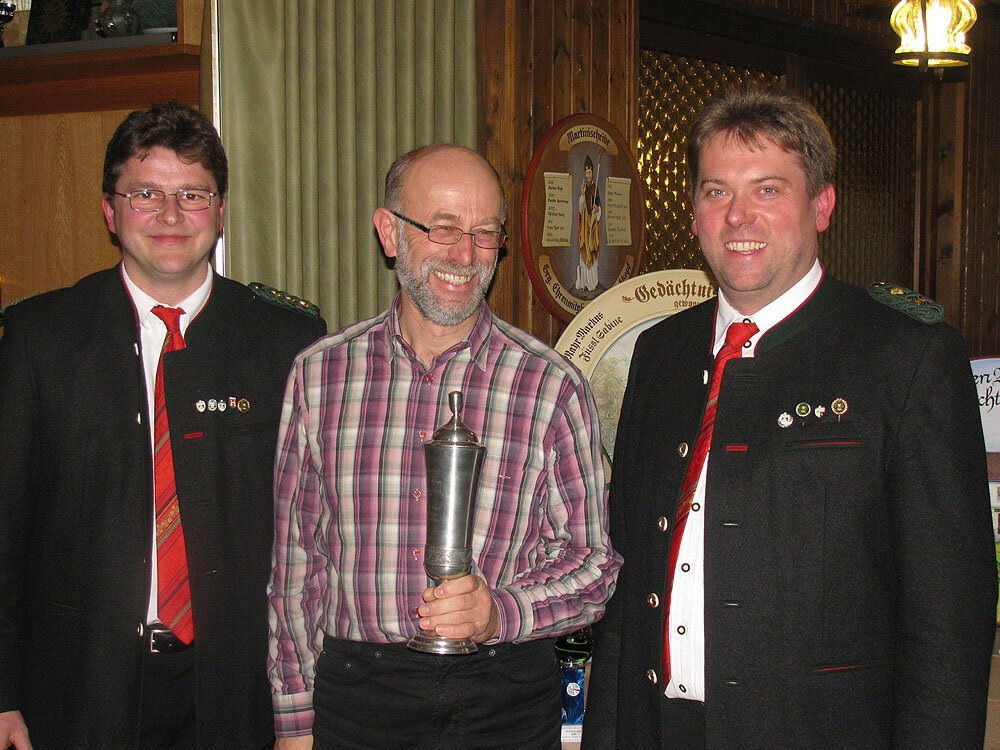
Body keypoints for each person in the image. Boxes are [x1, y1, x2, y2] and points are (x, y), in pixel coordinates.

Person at [582, 86, 997, 749]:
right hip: (660, 728)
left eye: (768, 190)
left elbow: (950, 617)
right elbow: (627, 585)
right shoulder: (660, 352)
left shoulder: (905, 357)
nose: (737, 216)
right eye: (717, 191)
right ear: (694, 211)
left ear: (822, 205)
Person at [268, 144, 621, 750]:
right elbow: (297, 569)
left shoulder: (551, 385)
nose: (465, 255)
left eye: (485, 234)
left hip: (504, 698)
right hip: (358, 699)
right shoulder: (319, 376)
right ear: (389, 233)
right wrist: (296, 725)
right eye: (444, 228)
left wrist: (499, 612)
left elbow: (593, 566)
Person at [0, 102, 326, 750]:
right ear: (109, 210)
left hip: (238, 689)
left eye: (192, 195)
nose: (171, 216)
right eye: (146, 193)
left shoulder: (286, 343)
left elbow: (316, 534)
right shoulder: (41, 339)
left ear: (221, 211)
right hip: (78, 685)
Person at [576, 155, 602, 293]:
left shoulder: (595, 189)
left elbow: (599, 208)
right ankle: (584, 282)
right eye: (586, 172)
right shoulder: (584, 189)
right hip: (585, 227)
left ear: (592, 173)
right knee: (584, 252)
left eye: (590, 172)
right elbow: (580, 210)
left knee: (592, 251)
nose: (588, 174)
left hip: (593, 228)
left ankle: (592, 283)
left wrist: (597, 211)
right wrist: (582, 196)